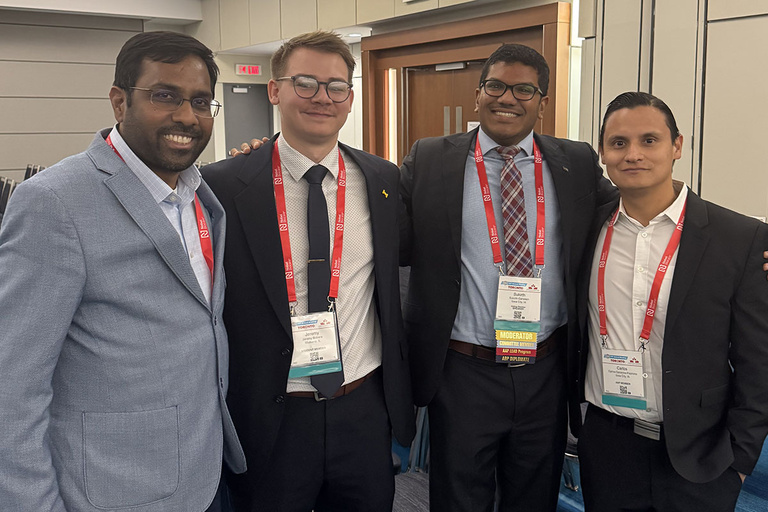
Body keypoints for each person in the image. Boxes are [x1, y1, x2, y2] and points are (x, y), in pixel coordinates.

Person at [0, 31, 245, 512]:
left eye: (200, 102)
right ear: (119, 101)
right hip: (116, 489)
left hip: (205, 474)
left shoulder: (200, 194)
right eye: (164, 95)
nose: (186, 116)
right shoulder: (55, 202)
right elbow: (12, 390)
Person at [201, 31, 415, 512]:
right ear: (274, 90)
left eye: (336, 86)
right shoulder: (222, 186)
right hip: (272, 412)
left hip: (362, 405)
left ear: (351, 98)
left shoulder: (382, 179)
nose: (322, 97)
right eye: (305, 82)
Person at [398, 43, 617, 511]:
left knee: (533, 497)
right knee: (459, 499)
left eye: (524, 89)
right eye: (495, 86)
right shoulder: (431, 157)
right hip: (462, 370)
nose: (507, 98)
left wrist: (738, 242)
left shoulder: (574, 162)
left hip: (546, 371)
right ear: (478, 94)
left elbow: (633, 210)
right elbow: (382, 228)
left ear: (542, 100)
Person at [575, 91, 768, 511]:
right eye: (619, 143)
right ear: (604, 154)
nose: (634, 155)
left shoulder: (738, 238)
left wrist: (740, 459)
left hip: (700, 455)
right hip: (608, 446)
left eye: (650, 140)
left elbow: (759, 360)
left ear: (677, 146)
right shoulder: (585, 226)